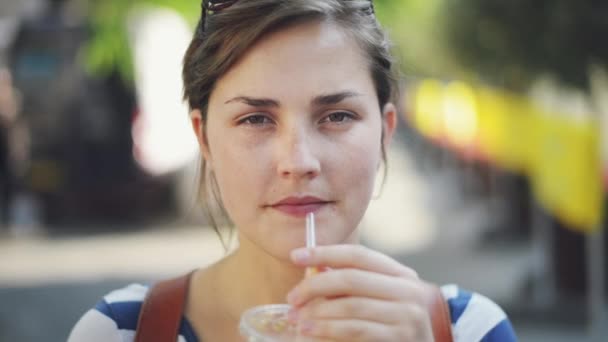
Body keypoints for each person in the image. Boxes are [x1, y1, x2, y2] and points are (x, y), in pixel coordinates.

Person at [69, 0, 518, 341]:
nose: (299, 162)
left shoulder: (469, 329)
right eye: (256, 119)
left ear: (385, 131)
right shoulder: (119, 331)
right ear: (204, 139)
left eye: (337, 115)